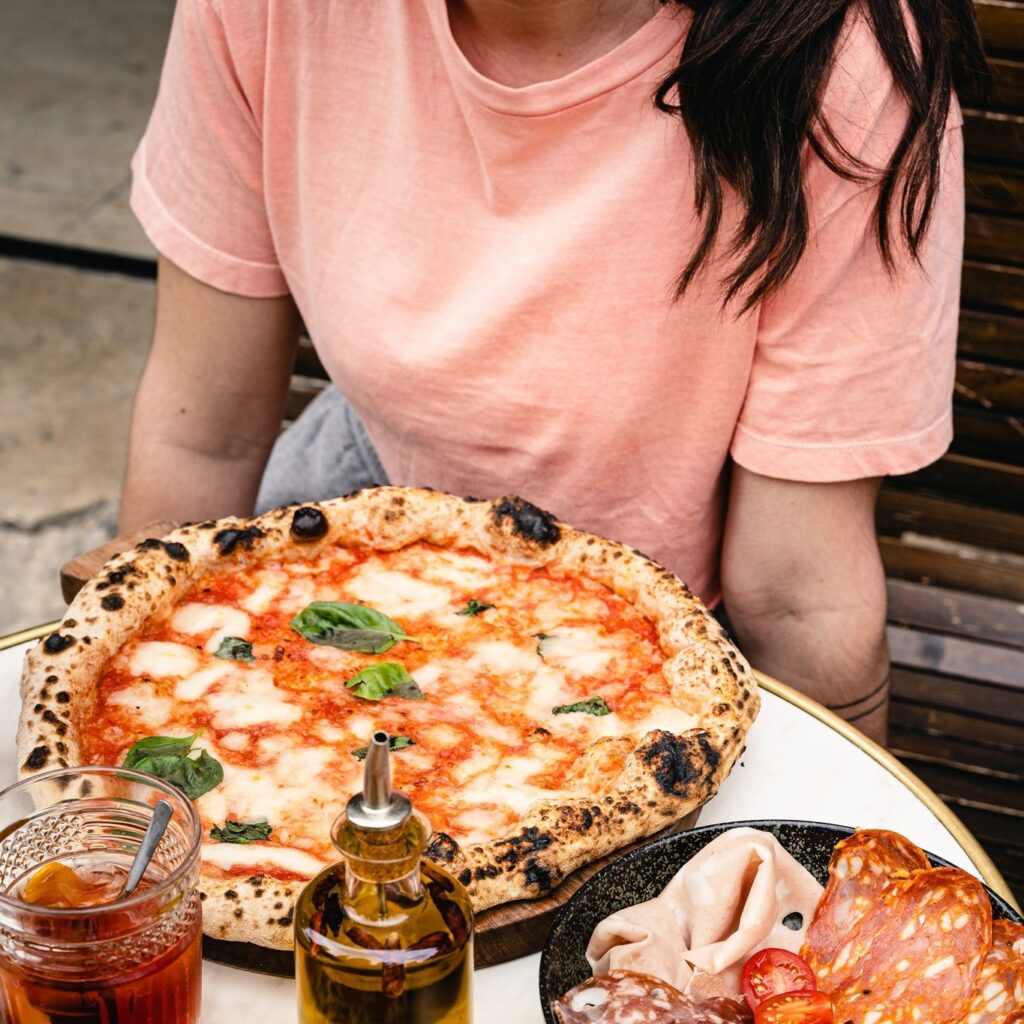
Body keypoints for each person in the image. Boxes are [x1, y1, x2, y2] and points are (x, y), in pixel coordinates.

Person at [118, 0, 987, 745]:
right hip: (344, 535)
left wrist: (837, 877)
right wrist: (131, 694)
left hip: (665, 635)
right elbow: (200, 434)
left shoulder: (847, 62)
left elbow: (799, 596)